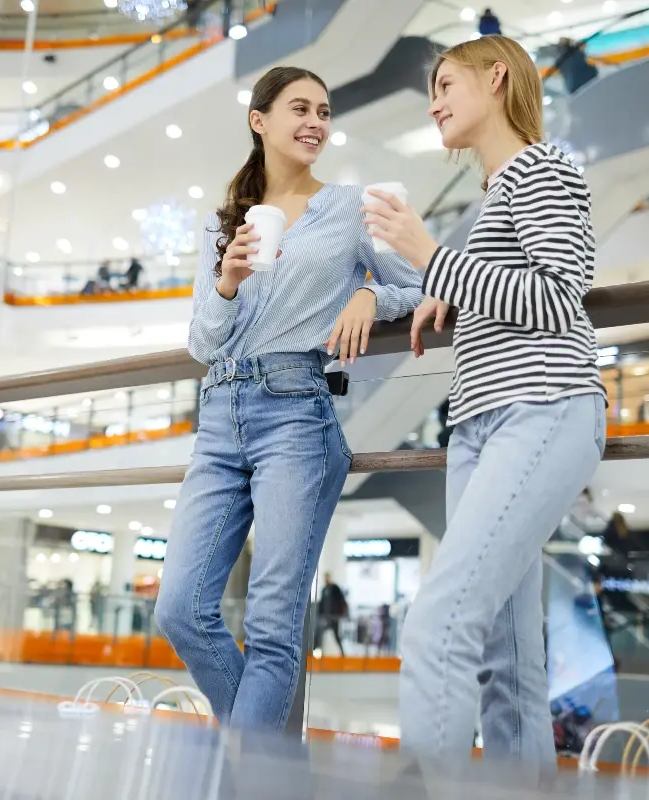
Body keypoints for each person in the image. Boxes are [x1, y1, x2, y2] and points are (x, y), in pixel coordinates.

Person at [361, 35, 607, 768]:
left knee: (438, 625)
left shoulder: (543, 166)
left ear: (496, 77)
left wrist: (432, 255)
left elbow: (561, 299)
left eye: (445, 84)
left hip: (542, 405)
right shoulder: (497, 192)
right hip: (480, 425)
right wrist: (433, 284)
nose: (433, 101)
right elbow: (500, 283)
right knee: (507, 656)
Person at [154, 65, 423, 731]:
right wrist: (226, 280)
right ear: (260, 120)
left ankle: (251, 774)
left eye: (324, 112)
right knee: (180, 610)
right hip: (219, 417)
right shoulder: (225, 222)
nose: (315, 122)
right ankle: (271, 766)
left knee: (274, 622)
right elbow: (202, 343)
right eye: (299, 108)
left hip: (297, 414)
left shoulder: (350, 208)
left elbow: (425, 284)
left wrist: (369, 293)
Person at [315, 572, 348, 657]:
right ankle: (318, 652)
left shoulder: (335, 588)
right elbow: (321, 603)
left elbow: (341, 601)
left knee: (336, 636)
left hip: (334, 617)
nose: (326, 580)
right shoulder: (324, 590)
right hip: (326, 617)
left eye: (328, 578)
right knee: (319, 633)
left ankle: (342, 654)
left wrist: (340, 614)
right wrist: (320, 613)